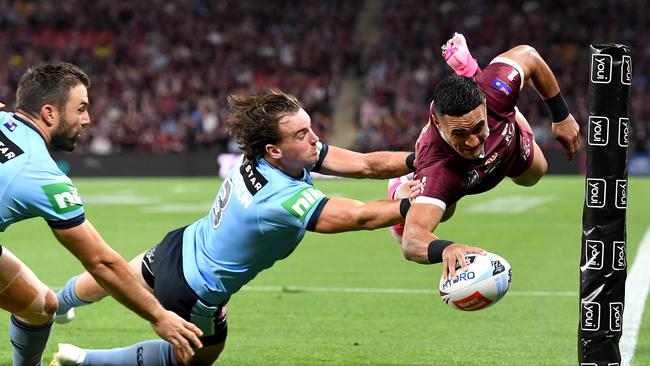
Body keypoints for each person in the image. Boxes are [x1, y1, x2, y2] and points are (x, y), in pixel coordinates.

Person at [50, 89, 419, 366]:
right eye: (302, 133)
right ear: (275, 150)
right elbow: (360, 216)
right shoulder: (278, 198)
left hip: (179, 245)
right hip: (194, 290)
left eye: (311, 128)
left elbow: (368, 165)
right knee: (196, 358)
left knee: (119, 276)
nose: (314, 138)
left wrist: (418, 160)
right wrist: (412, 203)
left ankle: (52, 305)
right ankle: (86, 360)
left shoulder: (268, 155)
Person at [0, 63, 203, 366]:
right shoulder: (43, 175)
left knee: (43, 306)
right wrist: (159, 315)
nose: (87, 119)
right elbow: (101, 262)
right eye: (80, 109)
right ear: (49, 113)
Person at [393, 34, 580, 281]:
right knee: (443, 213)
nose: (472, 142)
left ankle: (471, 71)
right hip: (457, 173)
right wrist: (447, 247)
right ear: (438, 123)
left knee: (536, 172)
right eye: (460, 133)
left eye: (477, 128)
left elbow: (530, 56)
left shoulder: (493, 88)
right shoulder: (437, 167)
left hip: (506, 144)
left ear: (483, 104)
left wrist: (561, 116)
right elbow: (413, 240)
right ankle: (399, 189)